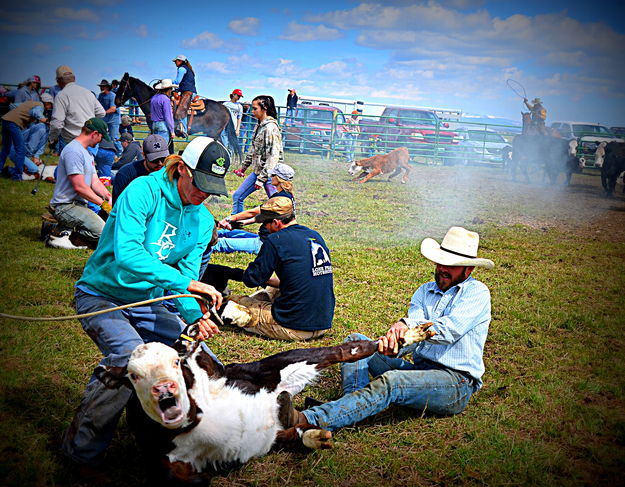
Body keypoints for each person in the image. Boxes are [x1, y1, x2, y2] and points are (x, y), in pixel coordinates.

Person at [61, 136, 229, 470]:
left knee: (200, 357)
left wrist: (195, 317)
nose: (204, 194)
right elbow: (128, 255)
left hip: (150, 301)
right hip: (102, 295)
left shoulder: (203, 220)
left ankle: (189, 437)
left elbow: (185, 275)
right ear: (182, 168)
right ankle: (80, 453)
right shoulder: (143, 191)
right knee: (128, 359)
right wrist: (186, 283)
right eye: (200, 184)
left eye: (212, 188)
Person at [293, 226, 494, 431]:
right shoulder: (425, 291)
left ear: (469, 270)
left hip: (455, 384)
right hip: (420, 371)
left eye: (451, 265)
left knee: (393, 381)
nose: (442, 268)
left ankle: (308, 420)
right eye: (441, 261)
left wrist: (405, 325)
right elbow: (411, 336)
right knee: (356, 343)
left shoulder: (477, 293)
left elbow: (449, 330)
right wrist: (394, 343)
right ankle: (350, 408)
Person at [224, 196, 334, 341]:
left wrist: (237, 272)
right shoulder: (314, 235)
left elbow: (252, 279)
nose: (265, 228)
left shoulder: (275, 240)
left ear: (276, 223)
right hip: (322, 323)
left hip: (293, 326)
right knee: (272, 289)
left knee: (231, 303)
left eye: (265, 224)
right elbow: (296, 280)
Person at [47, 118, 113, 249]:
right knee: (103, 233)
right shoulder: (73, 151)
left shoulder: (87, 153)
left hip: (77, 205)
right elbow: (80, 187)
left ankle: (59, 230)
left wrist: (108, 196)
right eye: (101, 137)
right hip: (66, 206)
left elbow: (94, 181)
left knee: (107, 229)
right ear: (94, 134)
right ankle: (65, 237)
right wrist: (103, 203)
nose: (101, 141)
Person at [231, 95, 282, 214]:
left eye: (255, 109)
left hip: (270, 174)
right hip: (259, 172)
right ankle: (235, 226)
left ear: (264, 108)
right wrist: (243, 168)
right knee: (237, 196)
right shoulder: (259, 125)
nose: (252, 112)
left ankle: (285, 227)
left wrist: (261, 179)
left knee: (277, 204)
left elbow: (273, 156)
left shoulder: (270, 128)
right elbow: (253, 149)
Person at [48, 65, 105, 150]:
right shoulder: (87, 92)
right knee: (89, 162)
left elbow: (57, 124)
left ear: (58, 81)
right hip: (91, 139)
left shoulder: (61, 95)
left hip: (73, 141)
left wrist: (52, 139)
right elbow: (101, 113)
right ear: (74, 78)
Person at [112, 134, 168, 204]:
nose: (160, 163)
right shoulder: (126, 174)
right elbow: (117, 205)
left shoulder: (171, 172)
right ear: (144, 155)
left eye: (163, 159)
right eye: (155, 159)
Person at [0, 100, 46, 180]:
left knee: (5, 149)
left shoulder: (29, 103)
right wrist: (44, 119)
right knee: (20, 150)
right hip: (13, 123)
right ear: (47, 104)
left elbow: (12, 105)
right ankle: (17, 176)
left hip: (5, 120)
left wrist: (17, 115)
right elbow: (36, 112)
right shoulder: (40, 105)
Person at [172, 54, 197, 136]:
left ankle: (184, 130)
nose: (175, 63)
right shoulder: (189, 69)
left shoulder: (182, 69)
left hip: (188, 93)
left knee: (181, 110)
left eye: (176, 61)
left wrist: (168, 83)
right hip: (189, 91)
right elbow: (183, 83)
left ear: (180, 61)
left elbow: (177, 81)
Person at [97, 80, 122, 155]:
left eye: (103, 86)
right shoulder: (100, 96)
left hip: (113, 121)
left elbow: (113, 109)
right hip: (105, 120)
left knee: (114, 138)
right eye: (101, 86)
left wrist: (102, 113)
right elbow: (98, 106)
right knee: (104, 138)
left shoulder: (112, 96)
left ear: (107, 87)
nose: (101, 88)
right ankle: (109, 152)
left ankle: (120, 153)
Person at [150, 78, 176, 146]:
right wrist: (172, 131)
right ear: (169, 89)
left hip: (154, 124)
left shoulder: (154, 98)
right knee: (163, 147)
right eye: (171, 89)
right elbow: (168, 116)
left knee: (155, 147)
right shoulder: (166, 99)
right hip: (162, 125)